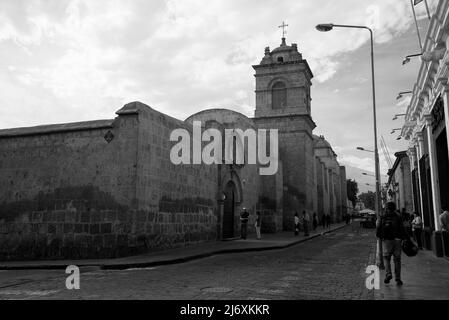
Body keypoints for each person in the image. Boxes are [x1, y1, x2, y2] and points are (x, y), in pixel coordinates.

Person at [376, 202, 408, 286]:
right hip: (397, 239)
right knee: (397, 260)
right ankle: (398, 278)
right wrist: (404, 237)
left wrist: (379, 236)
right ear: (394, 208)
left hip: (386, 240)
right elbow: (402, 227)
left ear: (387, 208)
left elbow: (378, 226)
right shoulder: (398, 216)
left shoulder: (383, 216)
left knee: (386, 258)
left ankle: (388, 274)